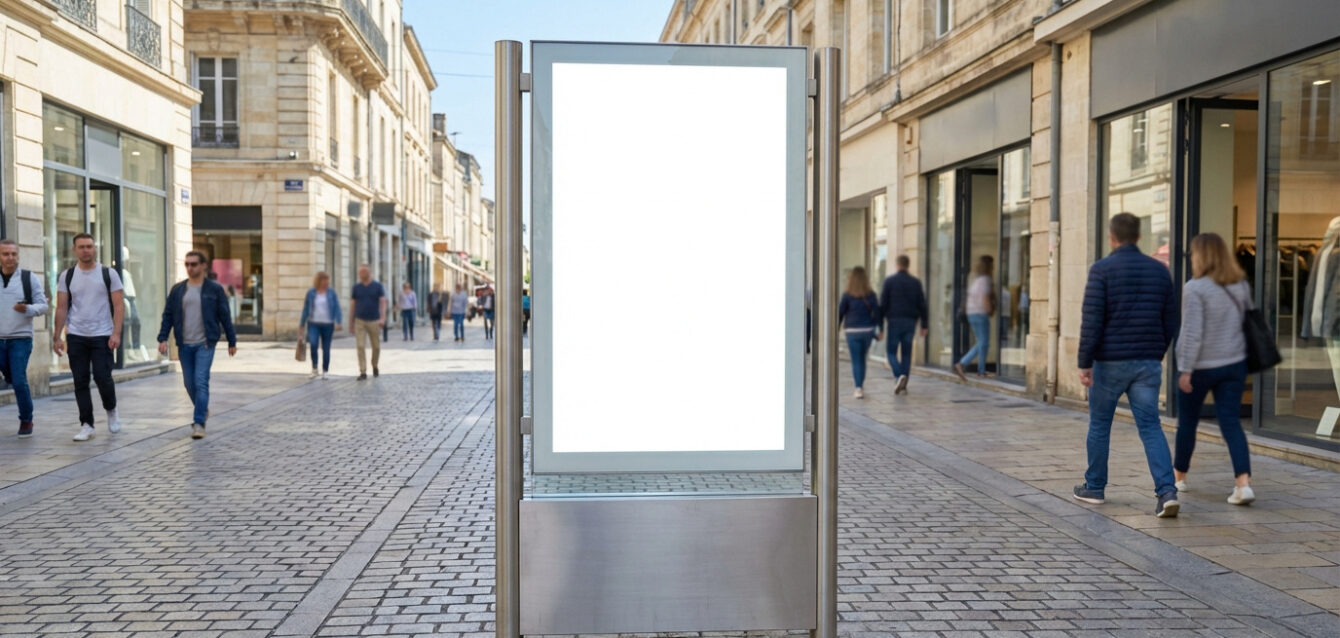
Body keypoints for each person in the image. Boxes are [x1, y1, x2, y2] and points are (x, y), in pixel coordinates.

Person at [1074, 212, 1181, 518]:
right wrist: (1156, 351)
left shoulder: (1101, 270)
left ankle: (1094, 486)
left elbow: (1091, 321)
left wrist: (1085, 362)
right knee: (1150, 426)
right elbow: (1171, 319)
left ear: (1112, 237)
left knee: (1100, 424)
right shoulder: (1159, 271)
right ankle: (1167, 491)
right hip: (1147, 362)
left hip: (1110, 362)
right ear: (1138, 237)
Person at [1174, 233, 1255, 506]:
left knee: (1188, 422)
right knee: (1231, 422)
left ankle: (1179, 478)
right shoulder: (1240, 285)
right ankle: (1243, 485)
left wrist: (1185, 369)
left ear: (1201, 256)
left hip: (1201, 367)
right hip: (1234, 364)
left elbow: (1192, 333)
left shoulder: (1195, 287)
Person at [157, 251, 237, 439]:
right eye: (187, 264)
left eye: (194, 264)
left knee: (201, 381)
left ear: (203, 266)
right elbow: (168, 315)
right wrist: (162, 338)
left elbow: (224, 315)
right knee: (189, 383)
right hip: (184, 343)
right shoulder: (178, 290)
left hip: (205, 343)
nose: (190, 268)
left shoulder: (214, 289)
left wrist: (232, 341)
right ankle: (202, 409)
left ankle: (199, 422)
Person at [53, 233, 125, 442]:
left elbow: (119, 305)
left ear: (95, 248)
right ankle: (87, 424)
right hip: (76, 334)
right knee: (80, 381)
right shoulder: (67, 276)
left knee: (103, 377)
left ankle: (111, 410)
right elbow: (62, 307)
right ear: (74, 250)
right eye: (82, 247)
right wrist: (57, 336)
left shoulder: (108, 274)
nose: (86, 250)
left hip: (102, 334)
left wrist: (116, 333)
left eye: (90, 246)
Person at [0, 239, 47, 438]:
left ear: (18, 256)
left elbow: (43, 305)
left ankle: (26, 419)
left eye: (13, 254)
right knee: (12, 377)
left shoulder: (29, 278)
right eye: (5, 254)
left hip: (20, 339)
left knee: (19, 380)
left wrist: (27, 309)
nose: (10, 258)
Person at [880, 255, 928, 395]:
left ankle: (899, 375)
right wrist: (924, 325)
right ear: (908, 265)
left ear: (897, 265)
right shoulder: (915, 282)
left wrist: (880, 325)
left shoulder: (890, 281)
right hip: (910, 322)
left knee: (891, 353)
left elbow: (883, 304)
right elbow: (922, 304)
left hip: (894, 321)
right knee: (906, 354)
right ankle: (903, 384)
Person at [839, 266, 881, 399]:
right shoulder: (871, 295)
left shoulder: (847, 296)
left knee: (856, 360)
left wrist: (836, 328)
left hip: (852, 331)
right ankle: (860, 386)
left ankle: (858, 388)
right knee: (862, 359)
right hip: (867, 331)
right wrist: (879, 328)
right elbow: (877, 313)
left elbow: (840, 313)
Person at [955, 255, 995, 381]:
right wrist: (990, 310)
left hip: (971, 313)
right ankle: (962, 363)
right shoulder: (985, 280)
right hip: (980, 313)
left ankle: (981, 371)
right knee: (983, 342)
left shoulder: (976, 280)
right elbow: (985, 298)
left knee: (982, 342)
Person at [300, 271, 341, 379]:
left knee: (326, 348)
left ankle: (325, 370)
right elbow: (306, 309)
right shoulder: (311, 293)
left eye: (328, 280)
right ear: (319, 280)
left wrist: (338, 321)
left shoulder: (331, 293)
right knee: (313, 345)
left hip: (328, 324)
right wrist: (302, 324)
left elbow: (336, 307)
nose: (327, 282)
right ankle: (314, 368)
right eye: (324, 280)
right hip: (313, 324)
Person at [349, 264, 386, 380]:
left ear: (368, 272)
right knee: (360, 346)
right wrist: (351, 322)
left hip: (374, 320)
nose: (360, 274)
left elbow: (383, 302)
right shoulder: (356, 288)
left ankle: (374, 365)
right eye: (359, 272)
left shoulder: (377, 286)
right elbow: (353, 305)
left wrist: (383, 318)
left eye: (363, 272)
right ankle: (363, 371)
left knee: (376, 347)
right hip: (360, 320)